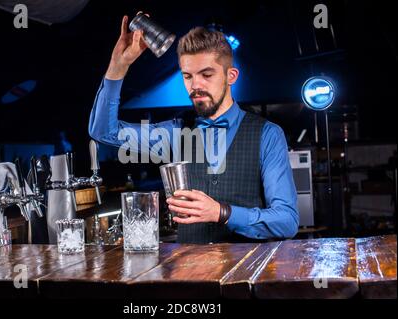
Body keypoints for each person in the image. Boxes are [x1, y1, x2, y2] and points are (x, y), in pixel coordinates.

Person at [89, 14, 299, 243]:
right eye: (188, 76)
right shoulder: (174, 132)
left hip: (244, 274)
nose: (195, 85)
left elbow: (286, 221)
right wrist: (118, 66)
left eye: (206, 75)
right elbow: (102, 132)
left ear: (231, 76)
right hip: (189, 274)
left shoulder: (268, 134)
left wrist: (222, 212)